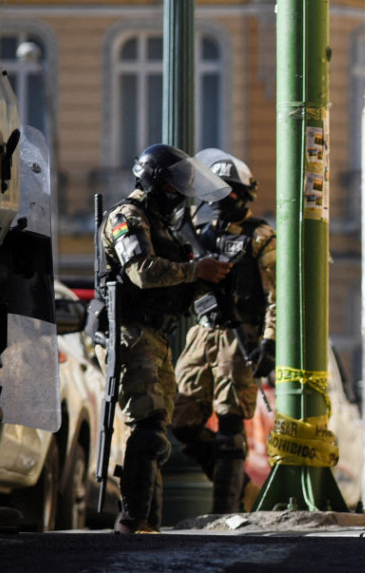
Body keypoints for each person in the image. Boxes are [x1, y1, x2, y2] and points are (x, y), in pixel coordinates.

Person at [97, 144, 234, 534]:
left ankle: (146, 521)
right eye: (175, 187)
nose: (178, 196)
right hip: (131, 329)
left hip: (154, 333)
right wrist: (196, 271)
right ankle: (133, 519)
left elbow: (173, 285)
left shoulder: (161, 225)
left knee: (157, 427)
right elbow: (141, 272)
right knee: (148, 422)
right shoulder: (127, 217)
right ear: (157, 183)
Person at [170, 149, 277, 515]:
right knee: (181, 420)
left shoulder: (260, 236)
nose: (218, 200)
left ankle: (225, 509)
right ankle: (240, 489)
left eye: (226, 192)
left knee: (231, 422)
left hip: (239, 335)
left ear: (243, 194)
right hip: (202, 333)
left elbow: (278, 291)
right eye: (212, 192)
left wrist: (269, 342)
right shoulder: (198, 234)